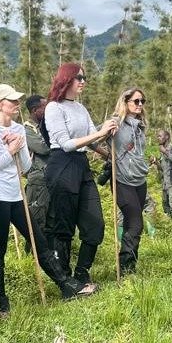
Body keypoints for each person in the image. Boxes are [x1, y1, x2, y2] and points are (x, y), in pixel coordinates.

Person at [0, 84, 96, 313]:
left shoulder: (18, 128)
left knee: (40, 242)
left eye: (17, 100)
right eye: (11, 101)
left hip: (17, 196)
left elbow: (25, 166)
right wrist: (9, 152)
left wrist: (21, 146)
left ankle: (65, 285)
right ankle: (1, 302)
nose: (16, 104)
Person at [43, 62, 118, 284]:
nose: (83, 82)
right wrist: (99, 134)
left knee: (95, 224)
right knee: (63, 226)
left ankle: (82, 272)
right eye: (79, 78)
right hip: (62, 165)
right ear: (66, 80)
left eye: (84, 78)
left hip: (82, 166)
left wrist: (108, 140)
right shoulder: (54, 107)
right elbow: (66, 144)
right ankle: (65, 279)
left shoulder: (81, 108)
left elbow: (94, 139)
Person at [111, 87, 150, 275]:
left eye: (142, 101)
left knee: (130, 223)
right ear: (125, 102)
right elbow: (95, 138)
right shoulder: (116, 123)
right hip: (122, 180)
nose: (140, 104)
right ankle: (125, 265)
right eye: (136, 101)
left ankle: (129, 266)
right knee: (136, 223)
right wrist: (109, 156)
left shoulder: (140, 126)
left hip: (139, 180)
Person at [24, 94, 51, 238]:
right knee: (37, 216)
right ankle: (34, 253)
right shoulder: (28, 129)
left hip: (50, 177)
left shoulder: (46, 126)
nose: (47, 110)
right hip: (38, 180)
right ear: (35, 110)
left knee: (51, 217)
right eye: (44, 107)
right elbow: (43, 148)